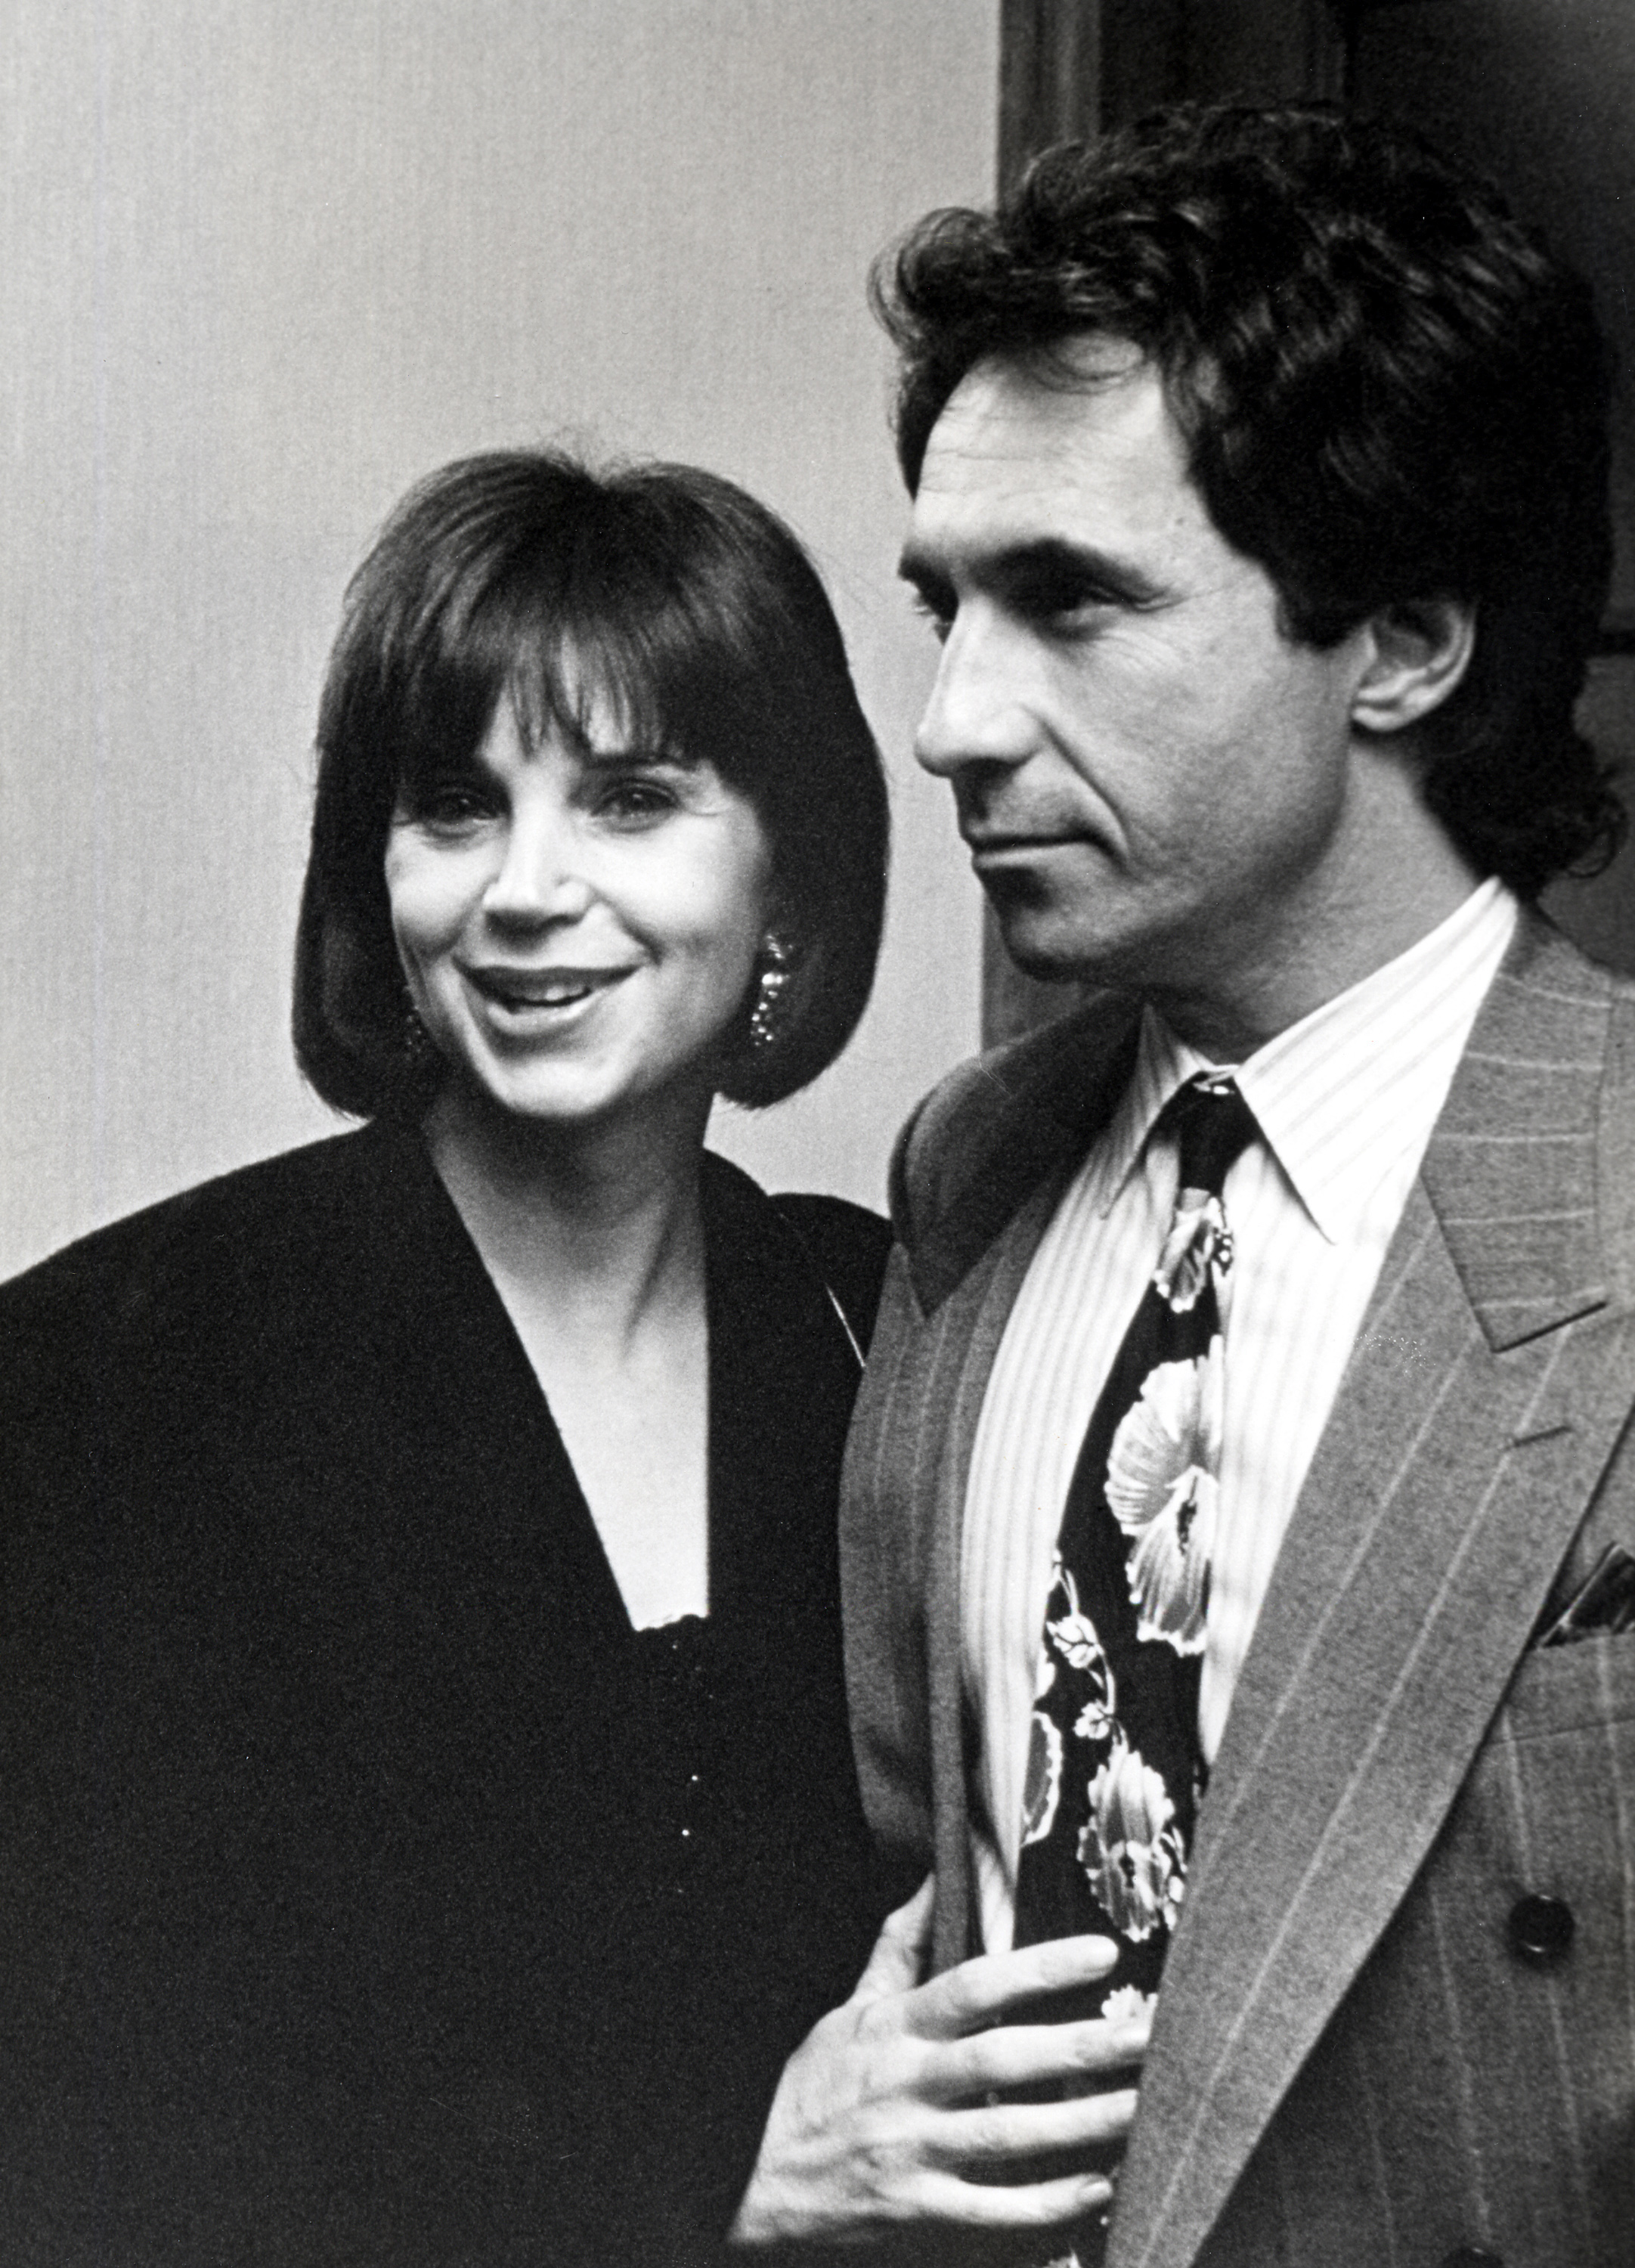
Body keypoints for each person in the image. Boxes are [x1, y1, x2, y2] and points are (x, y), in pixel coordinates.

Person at [735, 104, 1635, 2267]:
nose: (951, 719)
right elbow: (915, 1888)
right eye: (944, 606)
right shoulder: (971, 1167)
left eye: (1068, 605)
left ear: (1400, 646)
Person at [0, 448, 900, 2266]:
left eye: (630, 797)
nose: (524, 889)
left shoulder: (882, 1332)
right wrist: (721, 2203)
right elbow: (95, 2147)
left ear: (787, 872)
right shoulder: (108, 1379)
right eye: (454, 806)